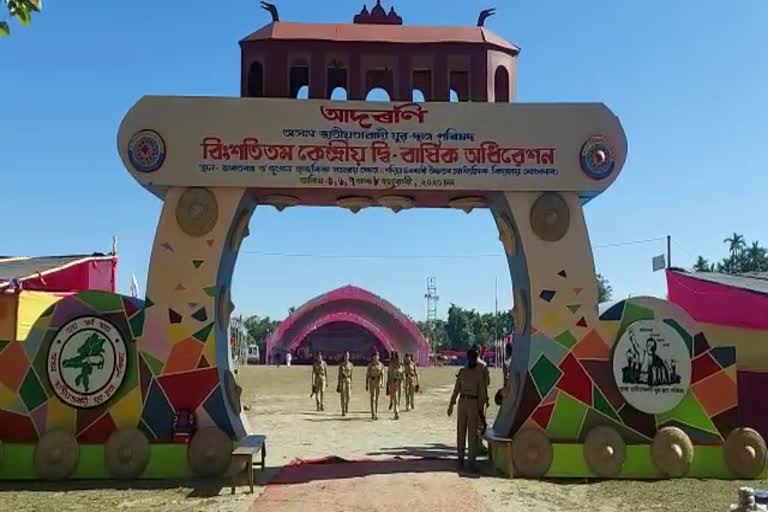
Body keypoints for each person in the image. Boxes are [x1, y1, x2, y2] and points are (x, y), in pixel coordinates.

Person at [447, 347, 488, 472]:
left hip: (474, 404)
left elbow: (482, 392)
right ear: (468, 358)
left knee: (472, 434)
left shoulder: (478, 374)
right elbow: (456, 389)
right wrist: (451, 404)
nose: (472, 360)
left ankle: (471, 461)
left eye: (474, 358)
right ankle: (460, 458)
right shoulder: (462, 372)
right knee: (461, 431)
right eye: (471, 358)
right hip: (463, 402)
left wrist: (481, 409)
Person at [365, 351, 385, 420]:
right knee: (372, 397)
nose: (375, 357)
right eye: (374, 356)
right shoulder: (370, 365)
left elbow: (382, 375)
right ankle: (373, 413)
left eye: (377, 356)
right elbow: (367, 375)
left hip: (378, 382)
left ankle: (376, 411)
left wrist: (382, 383)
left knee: (377, 398)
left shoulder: (381, 365)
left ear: (378, 357)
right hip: (372, 381)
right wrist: (366, 384)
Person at [387, 351, 405, 420]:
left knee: (398, 398)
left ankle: (396, 408)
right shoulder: (391, 365)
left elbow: (402, 375)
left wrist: (404, 383)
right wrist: (388, 383)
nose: (397, 360)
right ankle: (396, 411)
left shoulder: (401, 366)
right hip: (393, 382)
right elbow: (389, 375)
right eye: (396, 358)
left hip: (399, 383)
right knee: (395, 397)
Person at [337, 351, 353, 416]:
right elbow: (339, 375)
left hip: (348, 380)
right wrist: (338, 384)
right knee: (343, 396)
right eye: (345, 355)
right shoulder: (341, 365)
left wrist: (351, 383)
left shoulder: (351, 365)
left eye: (347, 355)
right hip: (342, 380)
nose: (346, 357)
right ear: (343, 357)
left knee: (348, 396)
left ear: (349, 357)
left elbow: (351, 375)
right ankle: (343, 409)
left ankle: (346, 405)